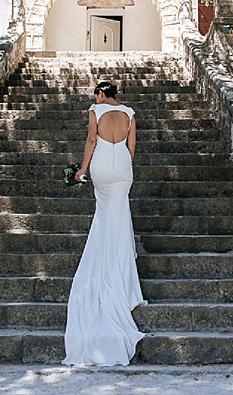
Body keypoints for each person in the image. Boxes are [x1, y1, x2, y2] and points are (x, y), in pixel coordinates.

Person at [63, 81, 146, 366]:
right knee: (120, 217)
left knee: (104, 213)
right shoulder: (129, 112)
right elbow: (132, 144)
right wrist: (124, 162)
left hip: (100, 168)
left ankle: (105, 261)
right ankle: (122, 274)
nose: (95, 98)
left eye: (95, 94)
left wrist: (82, 171)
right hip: (123, 166)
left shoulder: (95, 111)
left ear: (100, 94)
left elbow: (91, 141)